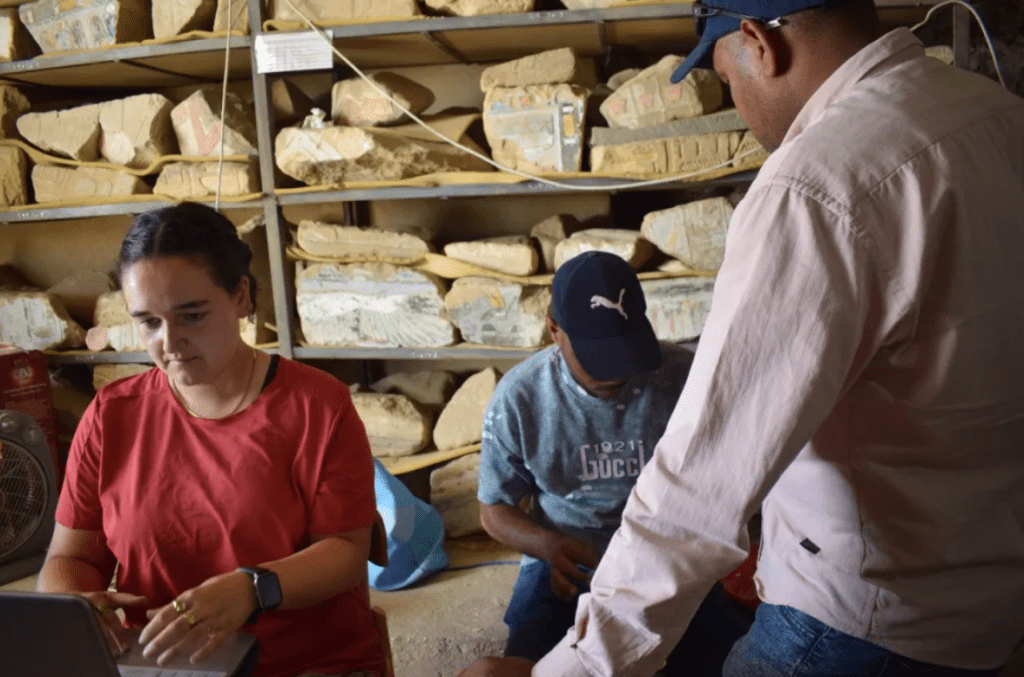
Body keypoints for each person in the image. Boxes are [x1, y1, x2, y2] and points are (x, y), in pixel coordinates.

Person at [460, 0, 1024, 676]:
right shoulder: (998, 117)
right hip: (989, 605)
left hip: (862, 625)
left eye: (726, 81)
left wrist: (575, 669)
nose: (739, 105)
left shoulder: (814, 185)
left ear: (758, 43)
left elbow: (697, 491)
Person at [38, 202, 387, 677]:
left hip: (302, 662)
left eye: (192, 316)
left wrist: (251, 589)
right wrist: (78, 610)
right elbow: (70, 557)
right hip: (160, 663)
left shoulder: (317, 406)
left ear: (240, 296)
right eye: (148, 322)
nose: (169, 341)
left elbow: (347, 552)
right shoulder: (112, 414)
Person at [477, 251, 752, 674]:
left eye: (625, 350)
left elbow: (725, 474)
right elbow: (493, 509)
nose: (615, 374)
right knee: (530, 666)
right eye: (598, 356)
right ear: (555, 329)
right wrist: (547, 546)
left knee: (730, 662)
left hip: (667, 549)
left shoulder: (682, 374)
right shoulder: (520, 398)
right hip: (569, 555)